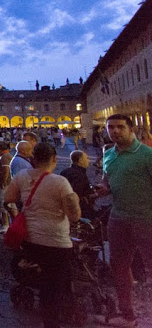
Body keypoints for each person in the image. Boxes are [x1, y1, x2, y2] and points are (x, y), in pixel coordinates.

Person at [5, 143, 81, 327]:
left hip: (30, 239)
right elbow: (74, 216)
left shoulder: (22, 176)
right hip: (56, 241)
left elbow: (8, 198)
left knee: (43, 279)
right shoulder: (59, 182)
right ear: (54, 160)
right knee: (55, 286)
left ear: (33, 159)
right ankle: (52, 321)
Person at [96, 114, 152, 327]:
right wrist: (103, 189)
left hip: (147, 219)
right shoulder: (109, 154)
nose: (115, 131)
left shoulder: (147, 155)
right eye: (111, 127)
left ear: (131, 129)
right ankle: (128, 315)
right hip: (118, 218)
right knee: (118, 266)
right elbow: (107, 182)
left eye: (120, 127)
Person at [60, 150, 94, 218]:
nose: (89, 161)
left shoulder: (65, 171)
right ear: (80, 161)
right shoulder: (79, 175)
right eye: (87, 158)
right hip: (78, 211)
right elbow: (79, 194)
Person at [0, 140, 13, 230]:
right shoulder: (7, 156)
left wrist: (3, 181)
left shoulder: (5, 157)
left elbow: (6, 170)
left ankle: (6, 224)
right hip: (8, 183)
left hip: (5, 184)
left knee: (2, 204)